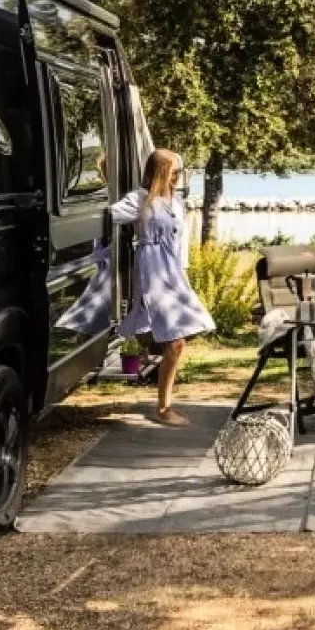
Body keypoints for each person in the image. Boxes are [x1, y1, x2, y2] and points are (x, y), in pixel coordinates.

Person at [111, 148, 215, 426]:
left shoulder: (177, 202)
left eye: (180, 171)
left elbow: (181, 245)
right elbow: (108, 217)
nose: (178, 176)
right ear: (160, 171)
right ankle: (163, 408)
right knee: (176, 341)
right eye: (174, 171)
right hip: (152, 270)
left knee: (188, 331)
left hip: (173, 273)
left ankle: (146, 340)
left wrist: (185, 278)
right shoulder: (139, 199)